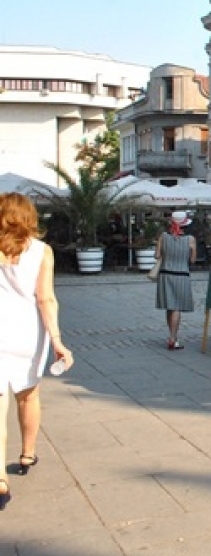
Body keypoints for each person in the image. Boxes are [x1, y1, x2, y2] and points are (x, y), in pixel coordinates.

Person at [0, 193, 74, 511]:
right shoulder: (42, 251)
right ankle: (27, 454)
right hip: (28, 334)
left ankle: (0, 480)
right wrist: (57, 341)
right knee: (28, 396)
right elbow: (46, 299)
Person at [157, 211, 196, 351]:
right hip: (181, 274)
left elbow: (157, 255)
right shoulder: (190, 239)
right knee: (177, 307)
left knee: (169, 306)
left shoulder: (163, 237)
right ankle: (173, 338)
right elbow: (192, 260)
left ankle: (172, 335)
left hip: (165, 273)